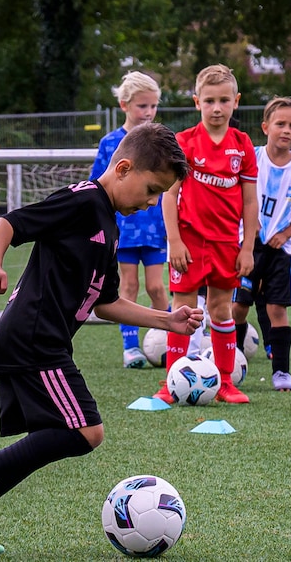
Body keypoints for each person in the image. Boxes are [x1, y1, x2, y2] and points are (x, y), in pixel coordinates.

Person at [0, 122, 203, 555]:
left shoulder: (109, 225)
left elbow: (105, 301)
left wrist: (167, 320)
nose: (152, 203)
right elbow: (10, 223)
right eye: (151, 190)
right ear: (124, 167)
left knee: (57, 435)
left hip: (44, 340)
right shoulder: (83, 201)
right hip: (36, 337)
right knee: (86, 431)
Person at [152, 63, 259, 405]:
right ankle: (172, 383)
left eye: (224, 100)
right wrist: (175, 241)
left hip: (227, 243)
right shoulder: (183, 142)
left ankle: (225, 382)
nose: (217, 108)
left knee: (221, 309)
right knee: (183, 309)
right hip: (189, 243)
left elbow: (250, 202)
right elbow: (169, 196)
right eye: (209, 100)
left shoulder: (243, 146)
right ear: (197, 101)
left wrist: (248, 248)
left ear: (236, 102)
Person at [231, 96, 291, 392]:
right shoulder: (251, 158)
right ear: (265, 126)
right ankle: (234, 357)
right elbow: (235, 194)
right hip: (247, 247)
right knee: (239, 307)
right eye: (280, 123)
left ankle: (281, 372)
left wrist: (286, 233)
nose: (286, 130)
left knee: (276, 310)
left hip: (280, 253)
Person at [88, 71, 168, 369]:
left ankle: (168, 341)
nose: (148, 113)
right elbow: (97, 184)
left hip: (155, 229)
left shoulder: (160, 141)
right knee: (129, 286)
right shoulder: (111, 143)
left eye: (153, 106)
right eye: (142, 106)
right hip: (123, 231)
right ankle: (131, 347)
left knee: (157, 288)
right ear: (124, 105)